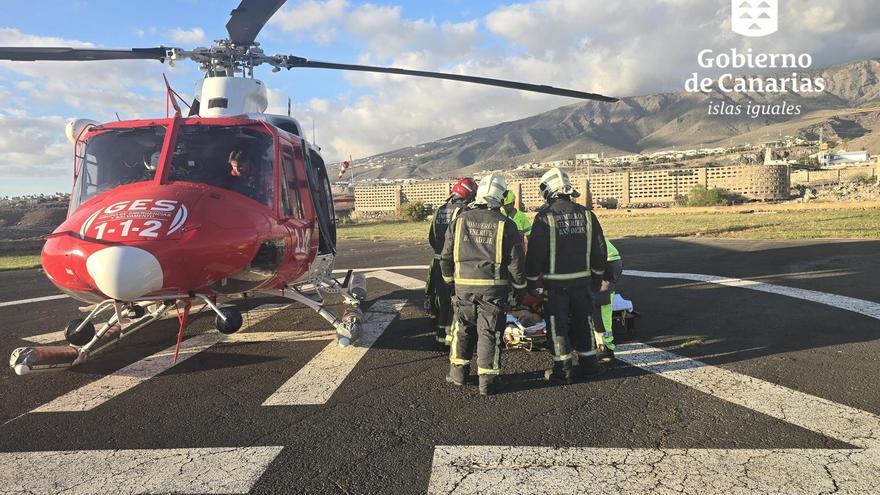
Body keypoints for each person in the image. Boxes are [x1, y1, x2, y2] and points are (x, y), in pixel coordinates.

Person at [440, 174, 526, 396]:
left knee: (462, 328)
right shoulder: (506, 224)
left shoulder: (459, 221)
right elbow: (516, 263)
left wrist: (450, 284)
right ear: (501, 197)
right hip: (493, 289)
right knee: (489, 332)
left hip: (463, 288)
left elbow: (446, 257)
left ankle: (457, 374)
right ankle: (487, 381)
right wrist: (520, 289)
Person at [525, 168, 607, 385]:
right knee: (584, 322)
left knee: (557, 326)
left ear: (548, 190)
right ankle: (591, 367)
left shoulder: (545, 218)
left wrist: (532, 282)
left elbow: (535, 254)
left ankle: (564, 371)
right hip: (583, 282)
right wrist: (597, 279)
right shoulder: (588, 215)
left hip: (556, 286)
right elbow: (600, 251)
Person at [427, 178, 477, 347]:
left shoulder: (440, 209)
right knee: (455, 301)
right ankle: (453, 339)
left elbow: (432, 237)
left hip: (437, 260)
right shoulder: (463, 210)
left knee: (442, 299)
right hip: (453, 263)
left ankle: (440, 336)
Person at [593, 239, 623, 360]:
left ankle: (604, 347)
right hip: (610, 261)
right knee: (602, 307)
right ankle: (605, 345)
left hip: (605, 264)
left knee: (599, 307)